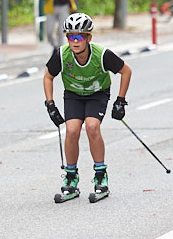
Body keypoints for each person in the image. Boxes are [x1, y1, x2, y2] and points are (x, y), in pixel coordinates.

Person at [42, 12, 132, 203]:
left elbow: (126, 71)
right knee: (72, 131)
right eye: (70, 37)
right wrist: (50, 104)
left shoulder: (102, 54)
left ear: (88, 38)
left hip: (97, 94)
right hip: (73, 95)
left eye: (79, 37)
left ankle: (101, 176)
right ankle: (71, 177)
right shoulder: (62, 54)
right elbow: (48, 77)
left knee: (92, 126)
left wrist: (120, 100)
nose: (74, 41)